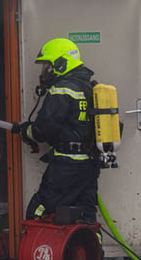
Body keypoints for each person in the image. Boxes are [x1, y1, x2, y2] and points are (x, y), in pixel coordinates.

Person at [19, 38, 100, 224]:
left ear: (61, 64)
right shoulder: (89, 87)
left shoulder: (62, 89)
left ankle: (38, 251)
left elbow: (43, 130)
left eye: (48, 65)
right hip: (89, 164)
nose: (45, 71)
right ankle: (91, 250)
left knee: (38, 211)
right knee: (86, 215)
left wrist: (26, 131)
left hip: (66, 164)